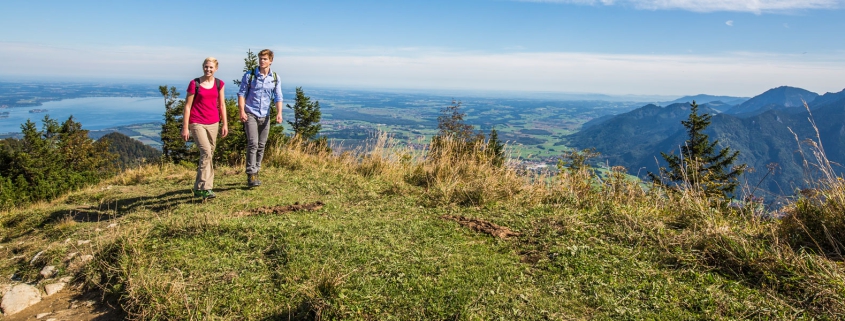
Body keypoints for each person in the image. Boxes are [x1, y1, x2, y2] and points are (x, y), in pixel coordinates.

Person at [182, 57, 228, 199]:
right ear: (203, 67)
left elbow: (222, 104)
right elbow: (187, 106)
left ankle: (204, 187)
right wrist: (185, 127)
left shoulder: (219, 83)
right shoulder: (194, 83)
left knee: (209, 154)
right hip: (197, 122)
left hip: (213, 122)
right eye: (206, 67)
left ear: (216, 69)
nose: (208, 69)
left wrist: (225, 123)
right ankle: (203, 187)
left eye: (211, 67)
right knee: (206, 152)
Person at [237, 49, 283, 187]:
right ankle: (251, 174)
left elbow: (278, 97)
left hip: (265, 114)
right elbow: (241, 94)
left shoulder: (275, 77)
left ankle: (256, 170)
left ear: (271, 60)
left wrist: (279, 113)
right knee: (253, 143)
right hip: (251, 113)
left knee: (261, 145)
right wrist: (241, 111)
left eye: (265, 59)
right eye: (260, 58)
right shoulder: (250, 75)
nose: (262, 61)